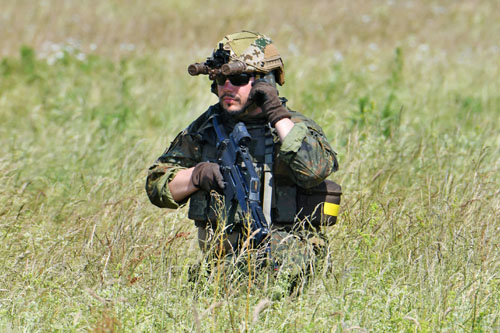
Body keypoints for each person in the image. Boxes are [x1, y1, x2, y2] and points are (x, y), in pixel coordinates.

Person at [146, 31, 339, 277]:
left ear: (264, 81)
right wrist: (198, 175)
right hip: (224, 264)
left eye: (239, 79)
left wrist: (276, 114)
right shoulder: (207, 128)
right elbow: (157, 184)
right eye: (220, 80)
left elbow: (315, 170)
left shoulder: (293, 127)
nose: (227, 87)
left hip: (291, 262)